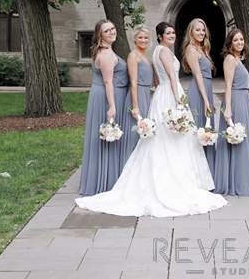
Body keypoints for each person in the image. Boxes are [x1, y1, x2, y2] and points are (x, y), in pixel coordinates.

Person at [75, 22, 227, 217]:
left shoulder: (155, 53)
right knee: (173, 139)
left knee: (167, 139)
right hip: (171, 94)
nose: (172, 35)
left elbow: (157, 78)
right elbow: (172, 79)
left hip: (162, 94)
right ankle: (173, 181)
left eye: (173, 32)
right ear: (160, 36)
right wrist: (179, 104)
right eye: (168, 33)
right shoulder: (162, 52)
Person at [78, 19, 129, 196]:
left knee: (105, 138)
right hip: (107, 97)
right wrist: (112, 106)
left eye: (113, 29)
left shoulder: (104, 50)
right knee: (109, 136)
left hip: (101, 94)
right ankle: (106, 180)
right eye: (107, 31)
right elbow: (108, 81)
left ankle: (103, 177)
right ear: (100, 35)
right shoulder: (106, 54)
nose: (112, 32)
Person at [214, 28, 249, 196]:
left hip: (243, 99)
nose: (240, 43)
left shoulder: (238, 59)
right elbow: (227, 85)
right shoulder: (229, 59)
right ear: (230, 43)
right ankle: (234, 181)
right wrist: (227, 109)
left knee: (241, 139)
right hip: (235, 101)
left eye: (241, 40)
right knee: (235, 139)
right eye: (236, 40)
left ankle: (241, 178)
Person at [182, 18, 216, 177]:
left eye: (203, 30)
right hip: (198, 92)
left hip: (206, 90)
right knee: (198, 129)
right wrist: (206, 100)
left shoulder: (203, 49)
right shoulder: (191, 49)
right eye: (197, 30)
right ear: (191, 32)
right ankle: (195, 174)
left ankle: (208, 172)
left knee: (207, 128)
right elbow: (198, 75)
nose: (201, 32)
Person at [121, 25, 154, 168]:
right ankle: (129, 169)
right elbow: (133, 82)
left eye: (146, 37)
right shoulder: (133, 56)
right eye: (140, 37)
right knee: (136, 132)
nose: (143, 40)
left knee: (145, 133)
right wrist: (135, 107)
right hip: (137, 95)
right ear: (134, 39)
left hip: (146, 95)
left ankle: (141, 169)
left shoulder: (145, 56)